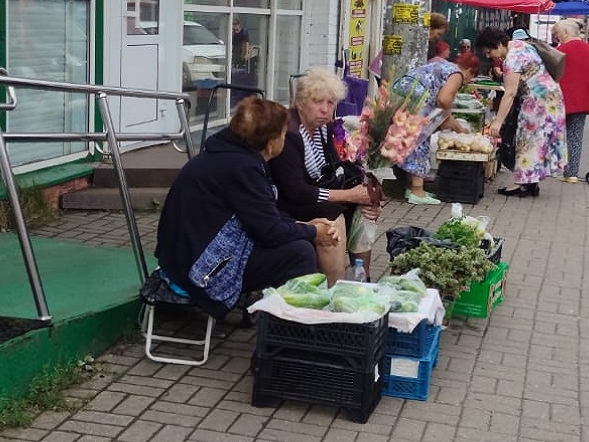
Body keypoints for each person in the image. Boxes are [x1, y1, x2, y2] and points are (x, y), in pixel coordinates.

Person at [155, 96, 340, 318]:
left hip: (184, 256)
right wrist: (312, 232)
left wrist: (305, 225)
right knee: (299, 253)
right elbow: (269, 231)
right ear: (271, 142)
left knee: (298, 242)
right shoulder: (243, 168)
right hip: (199, 268)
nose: (286, 138)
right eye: (284, 134)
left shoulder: (230, 155)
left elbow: (261, 216)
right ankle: (293, 328)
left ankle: (291, 320)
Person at [270, 67, 377, 283]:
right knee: (331, 218)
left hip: (313, 194)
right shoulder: (289, 132)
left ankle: (362, 279)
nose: (325, 110)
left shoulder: (323, 128)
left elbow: (335, 168)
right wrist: (349, 195)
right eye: (318, 102)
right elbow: (296, 190)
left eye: (331, 103)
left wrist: (369, 196)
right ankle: (333, 286)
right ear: (300, 103)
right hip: (286, 201)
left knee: (366, 212)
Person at [477, 27, 566, 198]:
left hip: (536, 102)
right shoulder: (520, 45)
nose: (489, 56)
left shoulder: (512, 59)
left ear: (498, 44)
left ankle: (522, 184)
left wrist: (498, 121)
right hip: (552, 98)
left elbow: (510, 93)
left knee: (527, 140)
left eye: (489, 52)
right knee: (537, 141)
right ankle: (530, 182)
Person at [387, 43, 471, 205]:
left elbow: (443, 111)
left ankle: (410, 186)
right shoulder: (457, 74)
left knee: (407, 139)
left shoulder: (444, 67)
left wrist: (453, 123)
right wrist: (452, 120)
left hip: (403, 90)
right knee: (419, 140)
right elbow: (443, 100)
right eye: (470, 78)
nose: (467, 82)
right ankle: (417, 192)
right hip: (416, 96)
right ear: (468, 71)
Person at [553, 18, 589, 183]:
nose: (558, 37)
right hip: (584, 97)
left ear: (566, 32)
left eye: (559, 33)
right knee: (576, 135)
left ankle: (557, 168)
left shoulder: (560, 50)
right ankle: (571, 173)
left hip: (563, 97)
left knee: (559, 134)